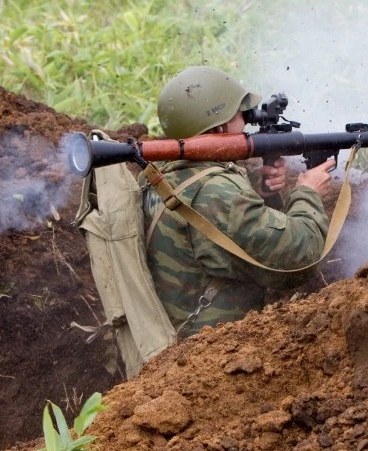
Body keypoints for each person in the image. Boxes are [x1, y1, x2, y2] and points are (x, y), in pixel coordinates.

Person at [139, 65, 335, 337]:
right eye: (239, 115)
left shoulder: (163, 176)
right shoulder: (219, 195)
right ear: (220, 126)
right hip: (211, 355)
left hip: (180, 334)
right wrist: (308, 192)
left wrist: (260, 191)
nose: (246, 124)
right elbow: (299, 259)